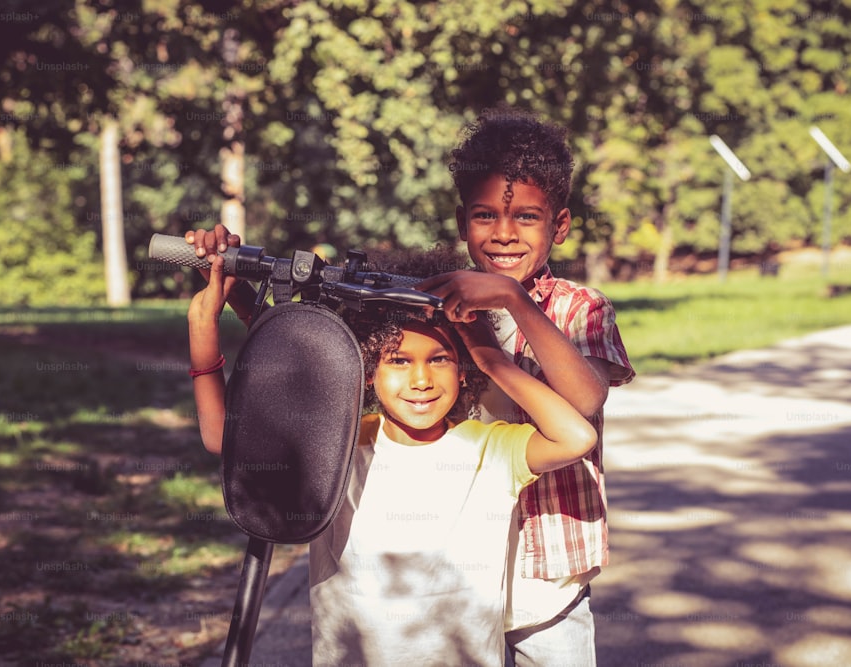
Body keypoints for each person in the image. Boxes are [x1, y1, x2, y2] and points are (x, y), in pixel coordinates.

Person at [186, 246, 598, 666]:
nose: (421, 379)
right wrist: (203, 328)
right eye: (399, 360)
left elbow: (576, 436)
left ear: (463, 370)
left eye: (440, 359)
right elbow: (225, 437)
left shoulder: (490, 449)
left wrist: (490, 359)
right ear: (366, 369)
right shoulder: (339, 444)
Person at [415, 106, 635, 666]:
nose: (505, 233)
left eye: (527, 218)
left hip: (549, 577)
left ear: (558, 225)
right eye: (486, 216)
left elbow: (585, 402)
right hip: (454, 568)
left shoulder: (580, 309)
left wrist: (512, 300)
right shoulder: (430, 306)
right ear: (463, 220)